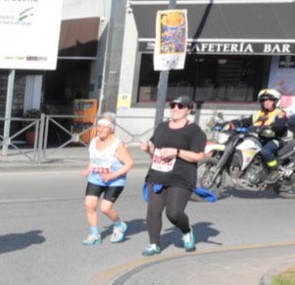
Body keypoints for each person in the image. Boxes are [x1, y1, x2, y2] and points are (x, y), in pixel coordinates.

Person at [138, 95, 209, 256]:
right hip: (157, 175)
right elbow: (156, 151)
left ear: (189, 110)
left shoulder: (194, 131)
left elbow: (199, 156)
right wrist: (147, 148)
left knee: (174, 213)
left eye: (180, 106)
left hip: (181, 178)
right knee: (153, 211)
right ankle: (154, 244)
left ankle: (186, 230)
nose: (175, 109)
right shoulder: (162, 127)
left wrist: (176, 152)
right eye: (173, 106)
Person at [82, 115, 134, 244]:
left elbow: (129, 163)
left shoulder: (118, 144)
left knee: (105, 208)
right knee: (89, 205)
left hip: (115, 180)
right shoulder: (94, 141)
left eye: (104, 127)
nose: (100, 129)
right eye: (98, 126)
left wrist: (112, 175)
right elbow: (94, 159)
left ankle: (119, 224)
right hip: (96, 178)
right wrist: (88, 169)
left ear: (111, 129)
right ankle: (95, 234)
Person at [247, 88, 290, 176]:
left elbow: (279, 125)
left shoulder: (280, 113)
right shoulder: (258, 113)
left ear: (275, 101)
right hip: (260, 139)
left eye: (270, 100)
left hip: (276, 140)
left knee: (265, 151)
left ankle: (274, 171)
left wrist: (268, 127)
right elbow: (246, 121)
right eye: (264, 100)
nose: (267, 102)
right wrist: (232, 123)